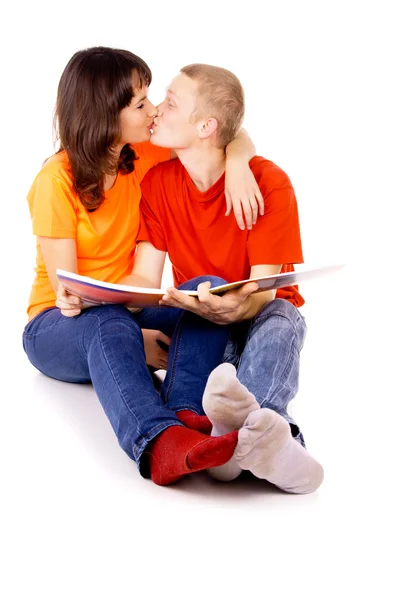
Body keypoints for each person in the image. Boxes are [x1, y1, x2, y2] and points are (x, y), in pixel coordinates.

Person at [59, 63, 324, 493]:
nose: (157, 110)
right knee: (190, 289)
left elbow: (263, 289)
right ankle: (233, 433)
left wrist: (239, 305)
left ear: (205, 126)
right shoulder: (159, 180)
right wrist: (90, 298)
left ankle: (255, 435)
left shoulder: (269, 184)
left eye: (171, 102)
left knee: (283, 314)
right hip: (200, 324)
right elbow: (145, 276)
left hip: (256, 320)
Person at [23, 47, 265, 486]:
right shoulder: (54, 182)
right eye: (140, 103)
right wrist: (135, 336)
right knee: (109, 325)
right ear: (105, 116)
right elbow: (70, 296)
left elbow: (225, 131)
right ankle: (157, 442)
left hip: (127, 304)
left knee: (207, 290)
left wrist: (238, 162)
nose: (153, 110)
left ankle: (186, 413)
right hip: (59, 323)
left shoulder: (144, 157)